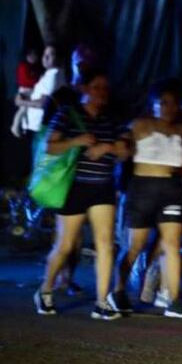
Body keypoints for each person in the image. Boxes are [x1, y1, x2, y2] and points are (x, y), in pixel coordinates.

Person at [33, 68, 130, 320]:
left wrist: (106, 146)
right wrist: (77, 141)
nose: (102, 93)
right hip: (74, 187)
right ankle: (45, 290)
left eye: (105, 89)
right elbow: (50, 147)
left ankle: (101, 303)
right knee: (65, 245)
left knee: (106, 244)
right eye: (96, 87)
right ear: (85, 89)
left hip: (102, 187)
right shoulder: (68, 114)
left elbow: (125, 150)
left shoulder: (111, 119)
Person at [111, 79, 182, 318]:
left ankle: (174, 300)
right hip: (142, 189)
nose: (169, 108)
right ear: (154, 105)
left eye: (173, 103)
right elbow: (121, 149)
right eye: (163, 103)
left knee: (172, 246)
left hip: (171, 189)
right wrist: (119, 148)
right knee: (135, 246)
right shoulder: (139, 125)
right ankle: (117, 291)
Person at [15, 46, 66, 138]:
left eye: (50, 55)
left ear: (58, 58)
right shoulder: (49, 74)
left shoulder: (53, 75)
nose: (45, 57)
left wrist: (22, 102)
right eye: (44, 54)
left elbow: (43, 103)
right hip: (35, 127)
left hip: (36, 128)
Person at [11, 48, 44, 138]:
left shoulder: (34, 68)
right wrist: (36, 81)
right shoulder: (23, 66)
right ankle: (15, 126)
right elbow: (24, 80)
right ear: (28, 56)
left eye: (36, 56)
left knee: (27, 110)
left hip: (30, 90)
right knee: (23, 109)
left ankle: (24, 127)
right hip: (25, 90)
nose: (35, 58)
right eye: (33, 55)